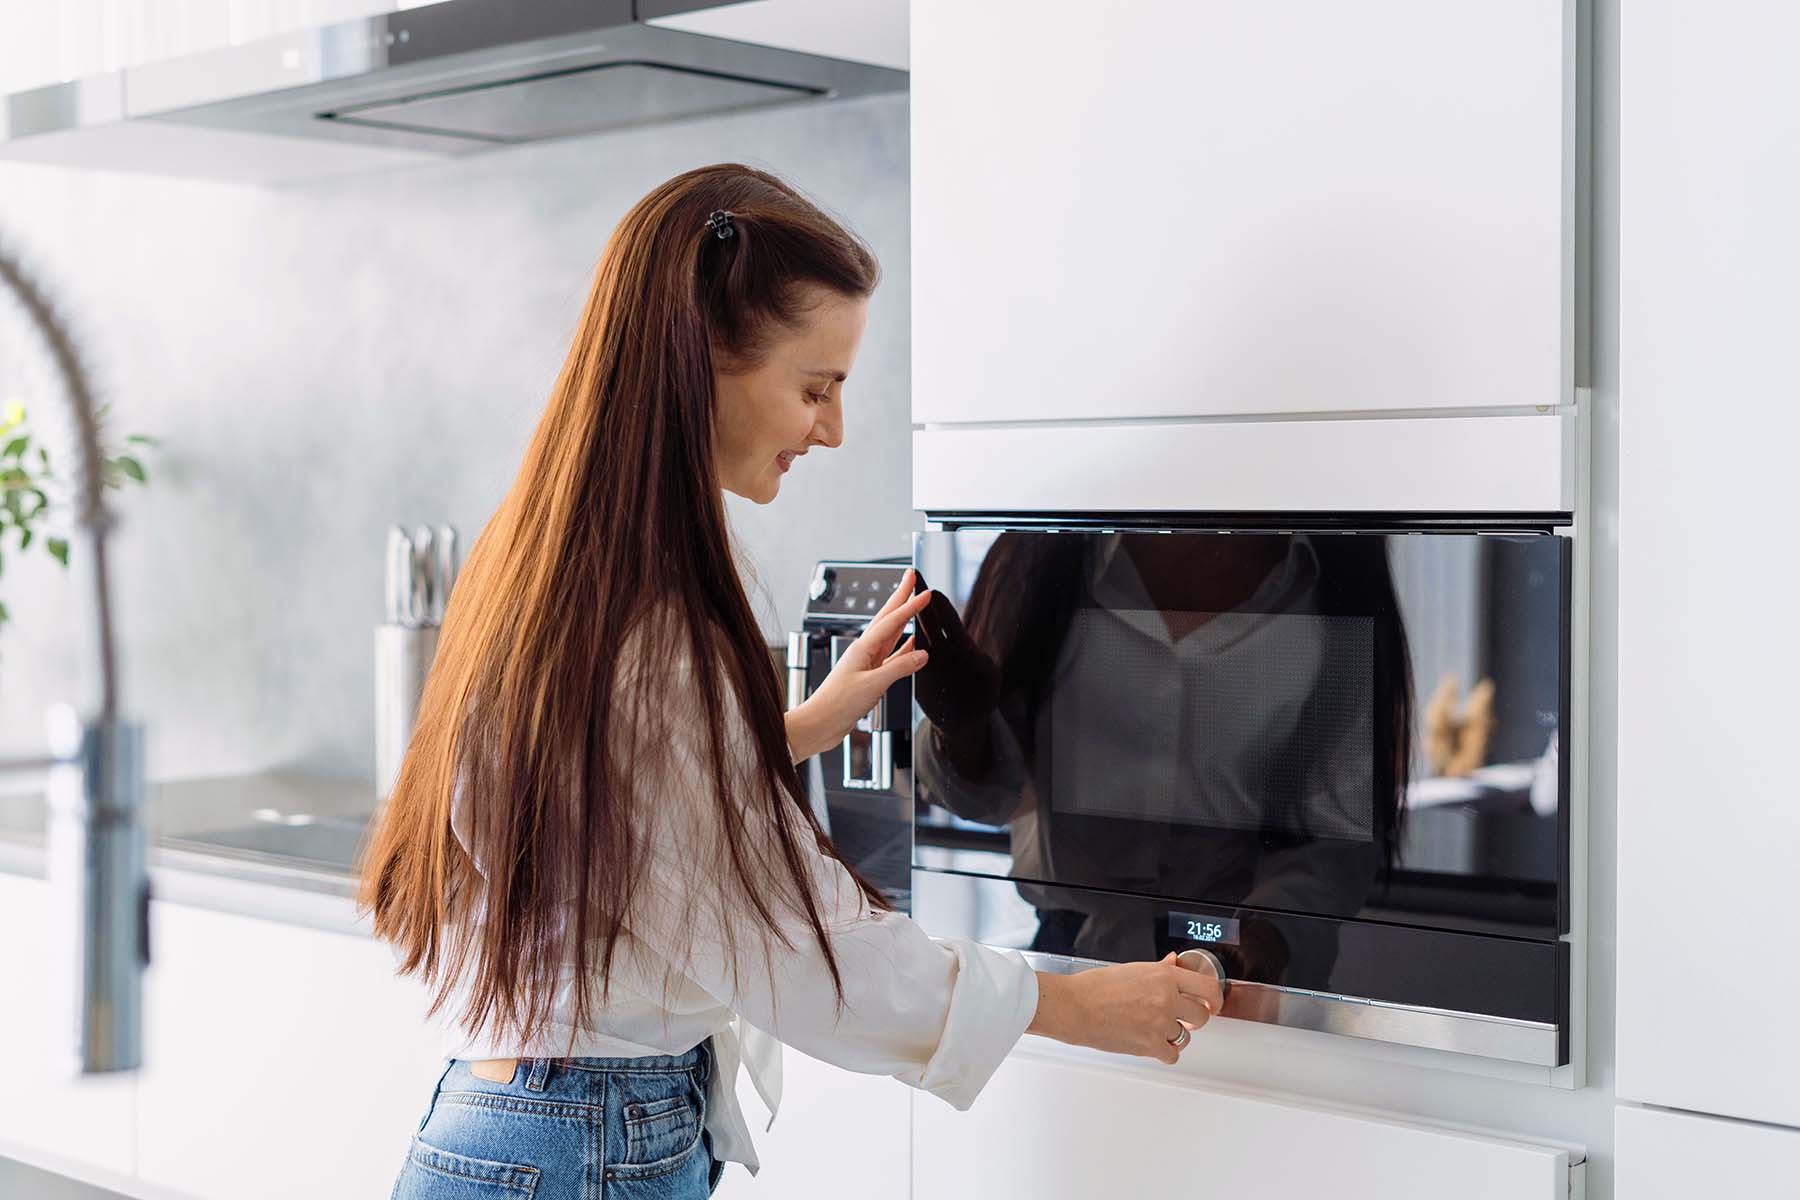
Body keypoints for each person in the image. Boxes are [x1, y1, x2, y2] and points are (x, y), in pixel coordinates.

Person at [358, 163, 1222, 1200]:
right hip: (581, 1141)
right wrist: (1072, 1005)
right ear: (704, 360)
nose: (833, 429)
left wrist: (795, 727)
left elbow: (623, 803)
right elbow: (800, 950)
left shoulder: (549, 556)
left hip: (513, 1121)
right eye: (815, 388)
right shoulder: (658, 630)